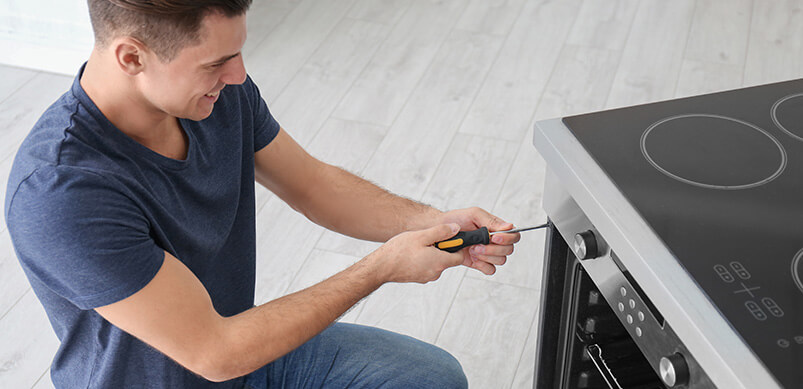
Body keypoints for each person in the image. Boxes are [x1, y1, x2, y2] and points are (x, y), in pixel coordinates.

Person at [4, 1, 521, 388]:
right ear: (132, 57)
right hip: (207, 357)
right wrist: (380, 267)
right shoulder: (61, 191)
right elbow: (214, 352)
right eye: (216, 62)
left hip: (246, 355)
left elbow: (314, 186)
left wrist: (438, 224)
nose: (238, 75)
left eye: (237, 52)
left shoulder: (217, 96)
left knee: (432, 378)